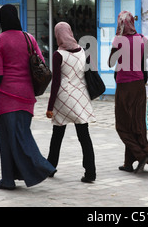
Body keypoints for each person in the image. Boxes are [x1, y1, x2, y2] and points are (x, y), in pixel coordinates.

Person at [0, 4, 56, 190]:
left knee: (10, 138)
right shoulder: (29, 38)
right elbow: (40, 63)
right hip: (27, 96)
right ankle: (8, 179)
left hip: (6, 96)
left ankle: (43, 166)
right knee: (20, 135)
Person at [108, 11, 148, 173]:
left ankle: (141, 155)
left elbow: (110, 62)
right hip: (139, 85)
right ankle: (128, 163)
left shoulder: (118, 40)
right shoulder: (141, 39)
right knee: (136, 123)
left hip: (125, 86)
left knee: (122, 125)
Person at [46, 22, 96, 183]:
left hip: (64, 97)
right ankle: (90, 172)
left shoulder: (58, 55)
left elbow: (55, 82)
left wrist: (50, 106)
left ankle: (50, 167)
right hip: (81, 96)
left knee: (57, 134)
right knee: (84, 136)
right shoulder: (83, 51)